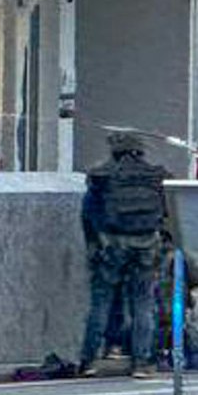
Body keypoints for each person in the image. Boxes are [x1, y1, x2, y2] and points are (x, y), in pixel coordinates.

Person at [78, 131, 169, 378]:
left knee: (101, 302)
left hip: (111, 244)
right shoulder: (155, 176)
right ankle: (141, 363)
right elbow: (167, 213)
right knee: (143, 303)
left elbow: (88, 214)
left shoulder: (102, 176)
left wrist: (94, 245)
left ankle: (89, 360)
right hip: (147, 245)